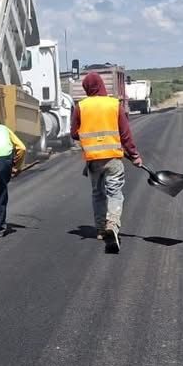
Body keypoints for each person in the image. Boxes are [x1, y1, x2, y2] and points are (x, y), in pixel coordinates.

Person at [70, 71, 142, 253]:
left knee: (98, 193)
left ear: (87, 88)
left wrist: (91, 139)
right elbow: (125, 134)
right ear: (101, 85)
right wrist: (134, 155)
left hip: (93, 161)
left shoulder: (81, 106)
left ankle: (101, 230)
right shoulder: (113, 104)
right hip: (113, 158)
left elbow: (73, 133)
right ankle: (113, 224)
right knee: (115, 193)